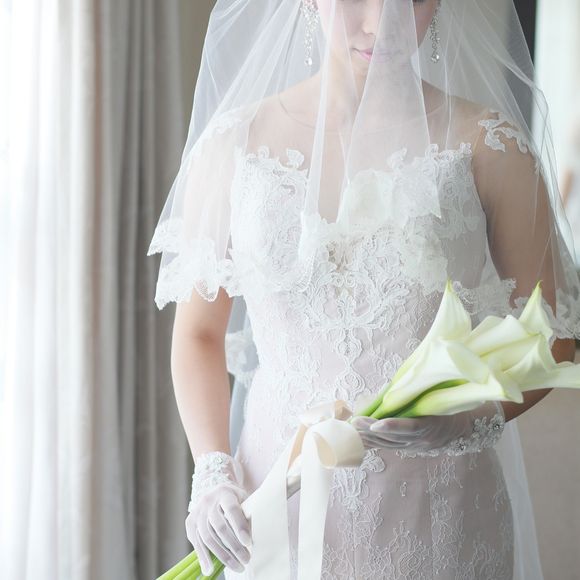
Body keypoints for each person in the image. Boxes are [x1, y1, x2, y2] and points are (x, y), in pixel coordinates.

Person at [147, 1, 580, 578]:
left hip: (440, 513)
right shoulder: (234, 145)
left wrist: (465, 419)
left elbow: (555, 338)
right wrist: (212, 472)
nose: (382, 23)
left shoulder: (488, 146)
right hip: (277, 503)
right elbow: (198, 335)